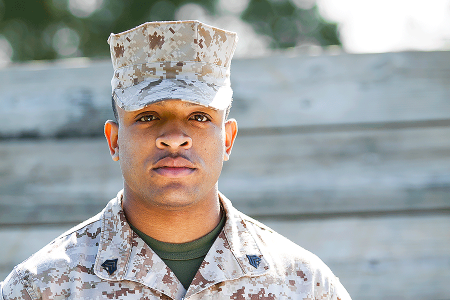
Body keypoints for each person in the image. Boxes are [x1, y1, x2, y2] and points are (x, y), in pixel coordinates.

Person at [0, 20, 351, 300]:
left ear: (227, 139)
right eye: (148, 116)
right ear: (114, 140)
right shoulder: (43, 288)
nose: (173, 136)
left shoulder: (303, 285)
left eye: (199, 117)